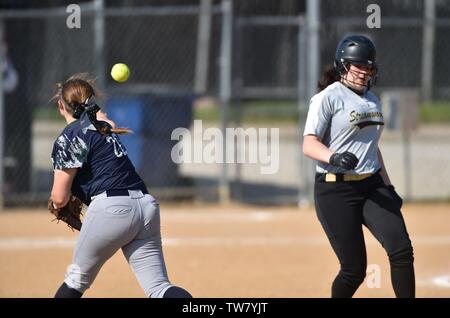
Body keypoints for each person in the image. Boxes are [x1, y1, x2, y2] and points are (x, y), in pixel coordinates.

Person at [49, 73, 192, 298]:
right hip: (145, 206)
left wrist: (63, 205)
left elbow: (59, 198)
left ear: (61, 105)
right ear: (92, 102)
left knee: (75, 281)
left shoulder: (70, 136)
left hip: (112, 209)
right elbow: (104, 122)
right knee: (159, 287)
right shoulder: (104, 127)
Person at [302, 34, 415, 298]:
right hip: (335, 192)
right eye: (358, 66)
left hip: (372, 185)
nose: (364, 72)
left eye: (369, 67)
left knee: (401, 250)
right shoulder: (327, 98)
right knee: (353, 270)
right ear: (343, 65)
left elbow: (372, 146)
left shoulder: (373, 99)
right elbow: (309, 144)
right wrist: (333, 157)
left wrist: (388, 186)